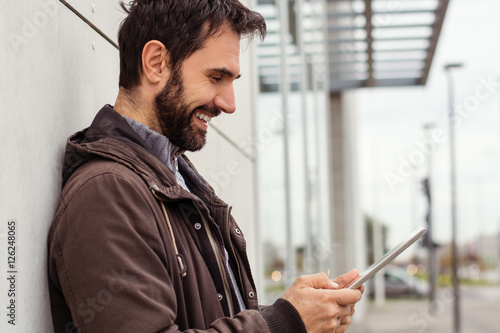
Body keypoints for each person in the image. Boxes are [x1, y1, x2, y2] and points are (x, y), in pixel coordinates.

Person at [47, 1, 363, 332]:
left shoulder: (175, 178)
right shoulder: (106, 193)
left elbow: (209, 317)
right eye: (216, 77)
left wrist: (303, 312)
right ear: (156, 63)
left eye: (233, 81)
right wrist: (285, 323)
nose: (230, 104)